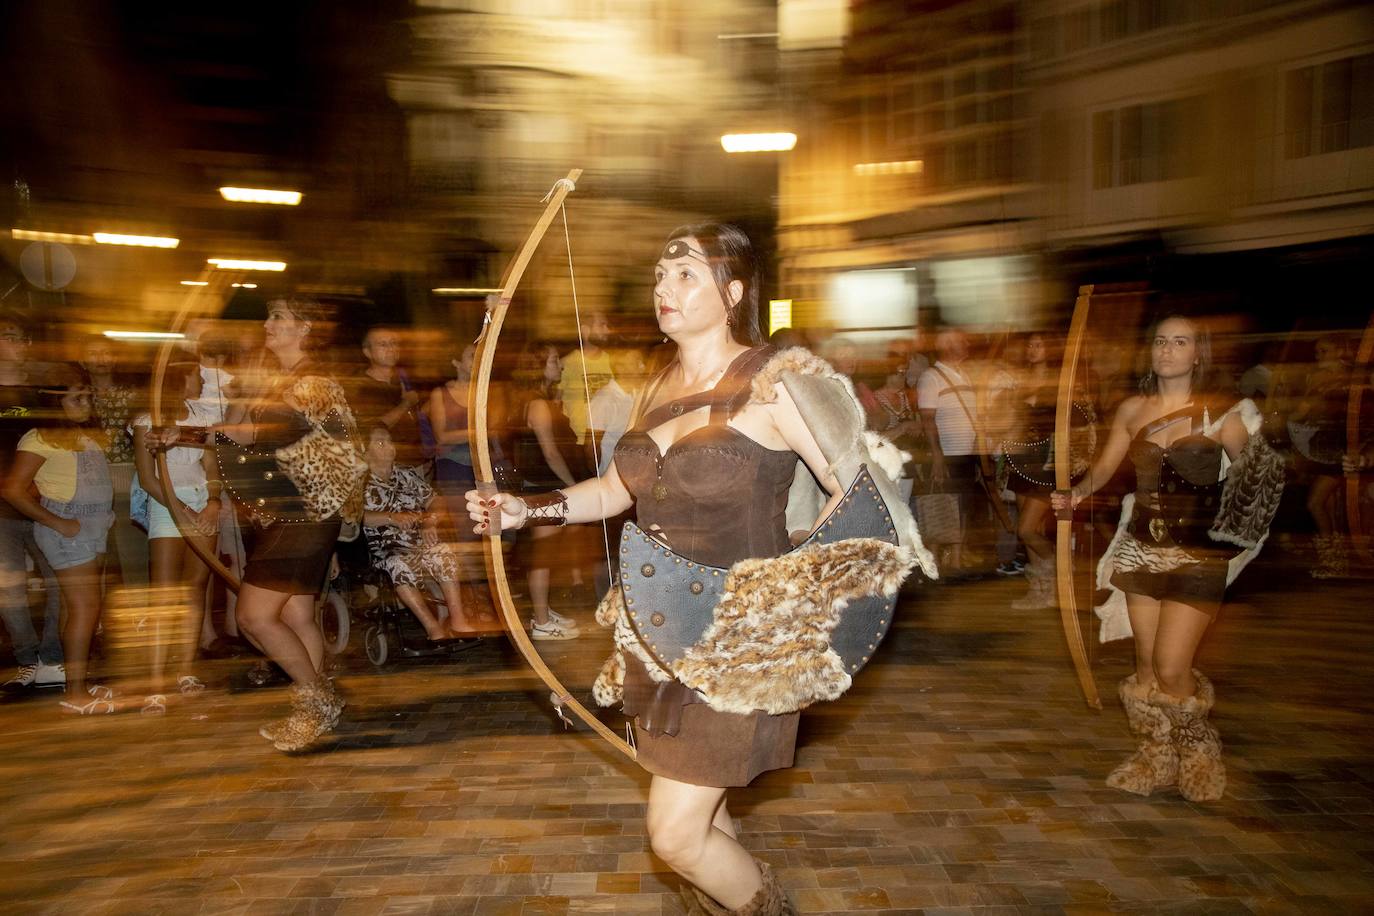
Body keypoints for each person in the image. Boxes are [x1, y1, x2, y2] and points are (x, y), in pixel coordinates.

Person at [467, 224, 932, 913]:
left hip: (741, 642)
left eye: (686, 275)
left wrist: (798, 600)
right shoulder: (659, 384)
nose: (665, 288)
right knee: (706, 820)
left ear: (733, 291)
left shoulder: (776, 384)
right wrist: (523, 511)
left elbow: (860, 498)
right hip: (661, 635)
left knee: (676, 837)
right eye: (660, 275)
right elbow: (615, 492)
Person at [1053, 315, 1281, 803]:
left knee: (1172, 666)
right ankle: (1156, 756)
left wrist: (1233, 528)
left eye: (1181, 342)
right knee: (1145, 668)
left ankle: (1198, 751)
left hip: (1197, 555)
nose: (1168, 350)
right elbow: (1107, 467)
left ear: (1199, 353)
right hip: (1140, 548)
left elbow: (1256, 483)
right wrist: (1074, 495)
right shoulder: (1134, 409)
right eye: (1160, 340)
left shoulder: (1225, 414)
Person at [213, 297, 363, 752]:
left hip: (304, 513)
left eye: (277, 316)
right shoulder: (283, 381)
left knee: (253, 616)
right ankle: (313, 712)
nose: (267, 323)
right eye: (269, 315)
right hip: (294, 512)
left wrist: (193, 431)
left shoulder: (312, 381)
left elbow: (294, 442)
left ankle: (316, 700)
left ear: (305, 328)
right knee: (297, 614)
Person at [2, 366, 115, 713]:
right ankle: (76, 694)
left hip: (94, 527)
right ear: (54, 401)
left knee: (76, 608)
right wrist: (59, 523)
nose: (87, 401)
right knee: (85, 608)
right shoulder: (39, 437)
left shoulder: (87, 434)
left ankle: (78, 680)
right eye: (77, 396)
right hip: (68, 531)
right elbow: (12, 489)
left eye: (88, 395)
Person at [131, 360, 220, 709]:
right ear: (178, 377)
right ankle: (155, 682)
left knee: (195, 588)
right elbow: (147, 477)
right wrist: (182, 511)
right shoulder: (147, 418)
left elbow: (211, 465)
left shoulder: (202, 415)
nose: (200, 379)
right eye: (195, 374)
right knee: (164, 594)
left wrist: (213, 502)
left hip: (202, 501)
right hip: (168, 503)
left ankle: (185, 670)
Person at [362, 423, 488, 637]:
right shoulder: (359, 484)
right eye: (381, 443)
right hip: (386, 547)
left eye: (390, 441)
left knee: (443, 553)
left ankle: (458, 621)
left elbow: (435, 501)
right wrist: (392, 518)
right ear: (365, 451)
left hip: (418, 540)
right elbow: (355, 517)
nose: (390, 447)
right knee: (398, 564)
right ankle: (433, 628)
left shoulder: (406, 475)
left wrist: (430, 521)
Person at [508, 342, 591, 640]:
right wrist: (572, 487)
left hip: (539, 485)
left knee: (546, 554)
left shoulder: (536, 400)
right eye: (555, 360)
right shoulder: (538, 405)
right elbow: (551, 453)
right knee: (542, 556)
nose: (561, 365)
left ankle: (542, 611)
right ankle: (541, 621)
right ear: (539, 365)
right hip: (544, 487)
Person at [0, 312, 64, 690]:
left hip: (46, 504)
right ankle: (26, 659)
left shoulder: (42, 392)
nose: (21, 345)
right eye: (11, 337)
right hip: (1, 510)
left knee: (60, 580)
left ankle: (52, 658)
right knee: (9, 586)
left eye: (24, 338)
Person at [79, 336, 146, 591]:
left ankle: (139, 614)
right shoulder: (77, 395)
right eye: (93, 353)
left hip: (129, 480)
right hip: (88, 483)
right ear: (82, 360)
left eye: (107, 352)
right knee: (92, 555)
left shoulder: (133, 395)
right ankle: (95, 617)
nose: (101, 359)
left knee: (133, 554)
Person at [917, 327, 984, 575]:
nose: (966, 342)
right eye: (959, 340)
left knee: (963, 506)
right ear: (946, 346)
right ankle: (934, 561)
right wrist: (937, 455)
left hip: (967, 454)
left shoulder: (964, 374)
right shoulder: (931, 377)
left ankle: (956, 559)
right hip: (947, 453)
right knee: (942, 506)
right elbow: (927, 419)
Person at [349, 326, 426, 473]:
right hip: (388, 468)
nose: (391, 349)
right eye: (383, 344)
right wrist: (406, 404)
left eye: (394, 343)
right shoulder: (361, 386)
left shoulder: (404, 377)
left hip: (418, 462)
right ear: (367, 352)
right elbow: (373, 427)